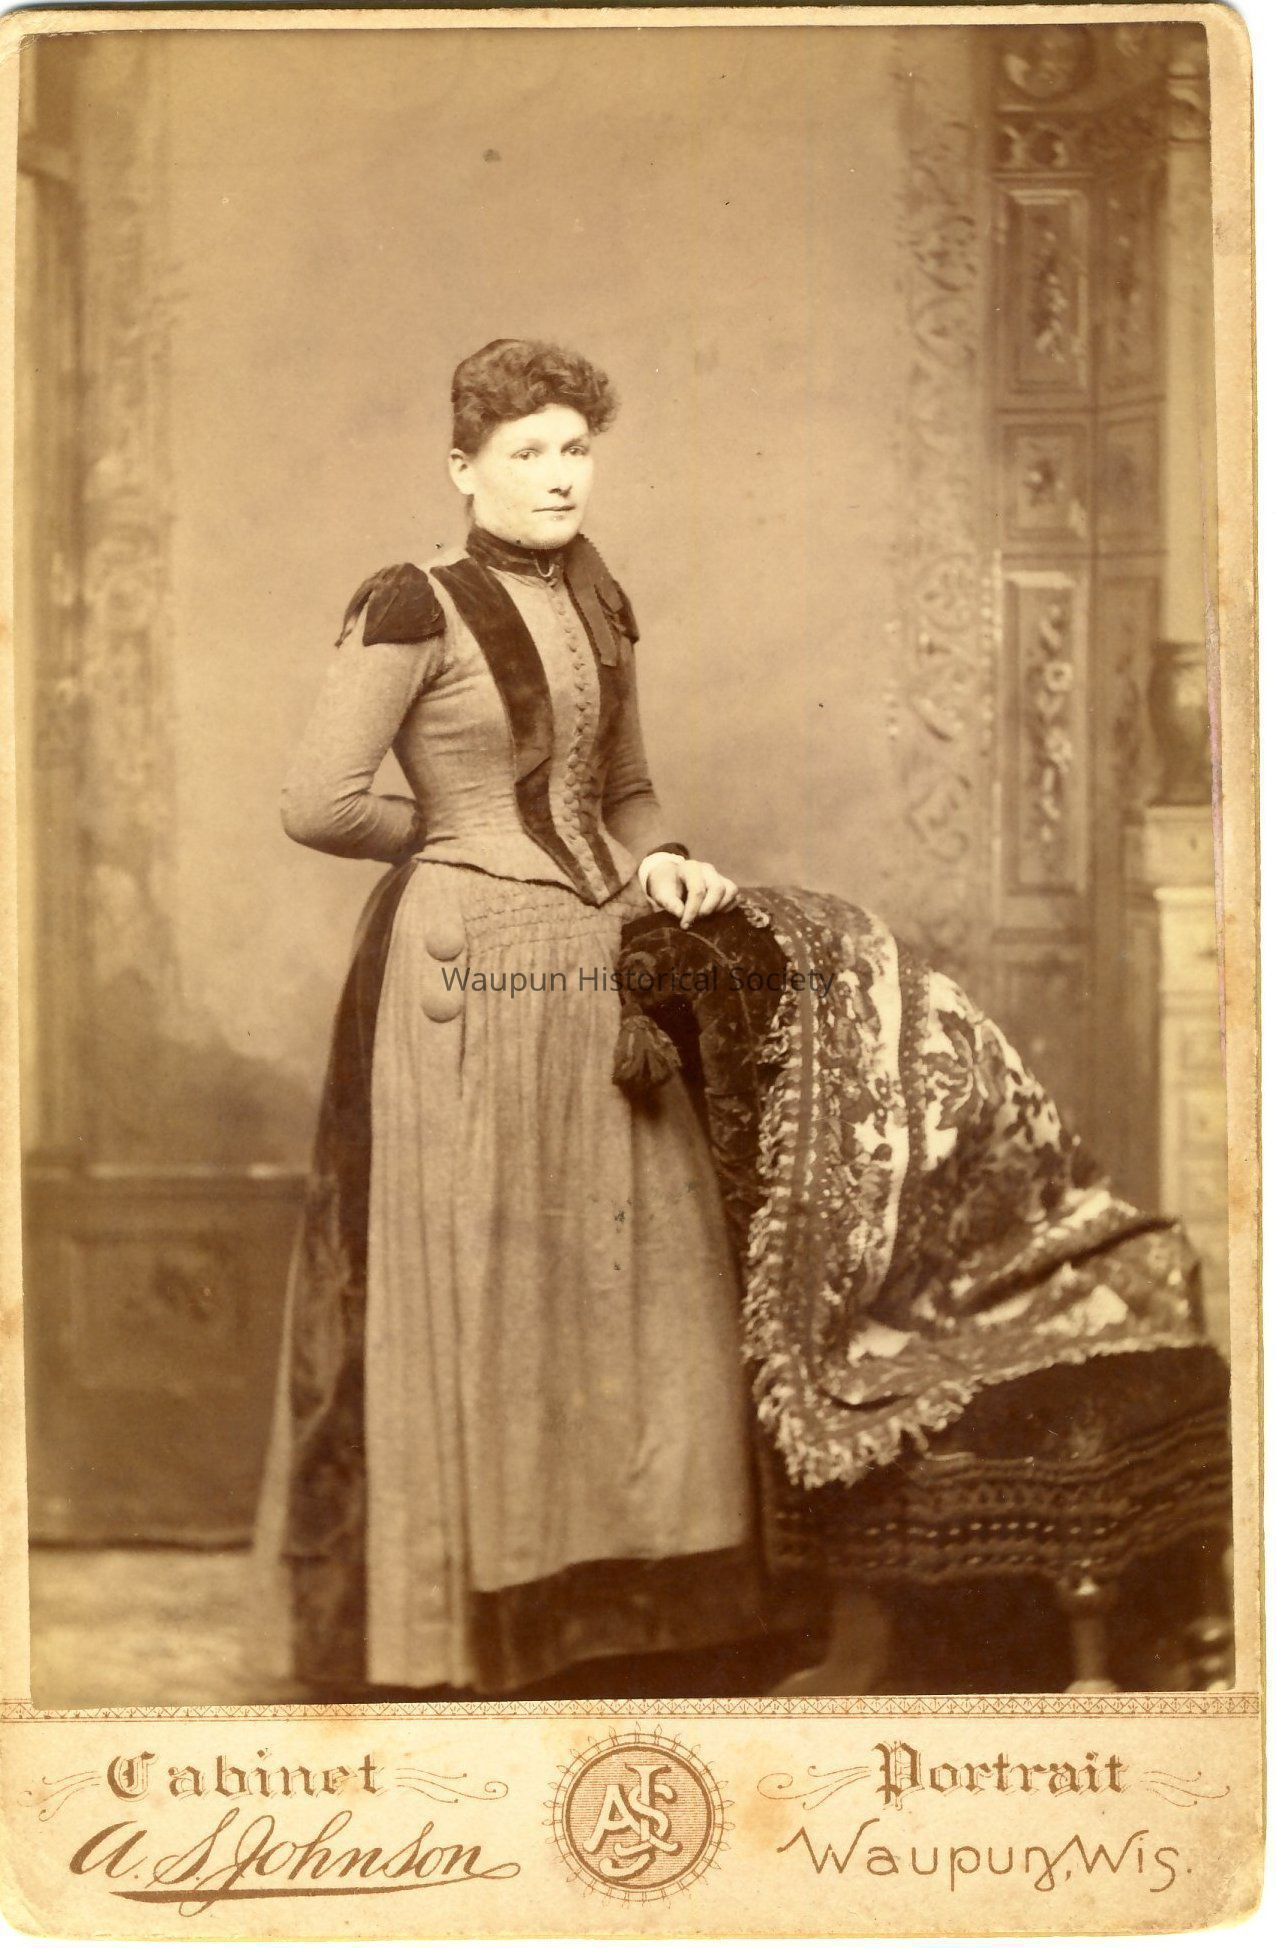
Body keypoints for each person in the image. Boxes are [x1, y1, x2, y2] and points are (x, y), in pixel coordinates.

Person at [253, 338, 767, 1698]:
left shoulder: (602, 599)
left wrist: (661, 862)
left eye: (575, 449)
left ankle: (621, 1617)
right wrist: (465, 844)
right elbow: (318, 802)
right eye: (526, 451)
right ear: (462, 467)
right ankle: (472, 1629)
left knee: (625, 1284)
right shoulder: (413, 602)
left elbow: (630, 789)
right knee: (489, 1284)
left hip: (599, 971)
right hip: (462, 975)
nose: (558, 475)